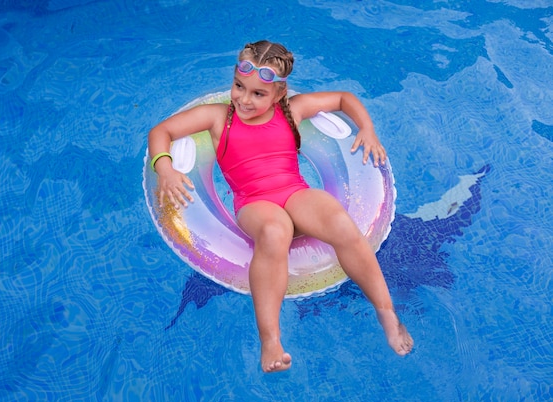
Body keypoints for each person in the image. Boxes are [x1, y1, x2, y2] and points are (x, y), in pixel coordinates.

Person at [148, 40, 413, 373]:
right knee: (275, 231)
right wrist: (165, 168)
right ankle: (270, 339)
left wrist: (368, 130)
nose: (244, 99)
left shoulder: (293, 110)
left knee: (342, 223)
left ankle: (387, 313)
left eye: (258, 94)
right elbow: (162, 130)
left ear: (278, 94)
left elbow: (345, 98)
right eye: (239, 87)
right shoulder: (218, 118)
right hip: (254, 203)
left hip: (294, 192)